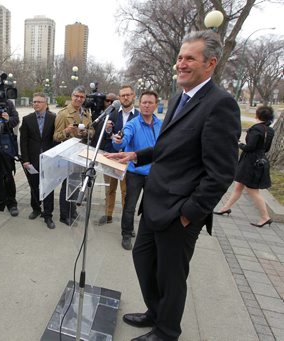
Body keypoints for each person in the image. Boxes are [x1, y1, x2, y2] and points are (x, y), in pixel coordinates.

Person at [107, 30, 241, 341]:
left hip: (179, 212)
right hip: (155, 202)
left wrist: (188, 214)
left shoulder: (220, 105)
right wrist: (136, 154)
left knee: (171, 276)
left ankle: (167, 331)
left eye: (189, 58)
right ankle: (156, 313)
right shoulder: (180, 97)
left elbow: (221, 173)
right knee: (143, 261)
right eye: (180, 57)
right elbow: (168, 145)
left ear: (210, 64)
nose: (181, 63)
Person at [106, 90, 162, 250]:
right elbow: (122, 140)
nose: (146, 105)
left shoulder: (160, 125)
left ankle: (148, 233)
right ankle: (126, 233)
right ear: (139, 103)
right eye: (144, 102)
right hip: (135, 173)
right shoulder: (132, 124)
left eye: (150, 103)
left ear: (155, 105)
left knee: (151, 206)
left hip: (154, 174)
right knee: (130, 205)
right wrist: (118, 141)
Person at [215, 105, 275, 227]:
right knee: (239, 186)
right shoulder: (270, 130)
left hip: (250, 162)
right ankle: (225, 208)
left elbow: (250, 147)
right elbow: (267, 149)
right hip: (260, 160)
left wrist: (239, 144)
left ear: (257, 115)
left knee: (252, 190)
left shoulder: (256, 129)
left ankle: (265, 217)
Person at [97, 87, 140, 226]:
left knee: (126, 192)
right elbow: (103, 136)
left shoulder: (139, 116)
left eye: (128, 95)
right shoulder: (112, 114)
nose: (125, 98)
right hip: (111, 157)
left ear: (133, 96)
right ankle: (108, 214)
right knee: (109, 188)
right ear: (119, 98)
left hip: (128, 160)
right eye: (122, 95)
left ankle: (126, 221)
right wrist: (108, 130)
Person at [53, 86, 93, 226]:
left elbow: (92, 131)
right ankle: (65, 215)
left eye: (82, 97)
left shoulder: (86, 113)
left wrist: (86, 133)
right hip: (68, 154)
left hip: (82, 154)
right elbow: (56, 137)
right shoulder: (63, 114)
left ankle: (73, 210)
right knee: (67, 185)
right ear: (72, 96)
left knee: (77, 184)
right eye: (77, 96)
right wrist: (67, 131)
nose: (79, 99)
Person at [20, 93, 57, 229]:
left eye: (39, 102)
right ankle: (36, 208)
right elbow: (23, 142)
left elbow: (56, 139)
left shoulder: (53, 118)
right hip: (33, 159)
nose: (36, 104)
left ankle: (48, 215)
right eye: (34, 101)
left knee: (48, 187)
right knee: (34, 185)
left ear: (46, 104)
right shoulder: (27, 119)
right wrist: (25, 160)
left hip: (49, 159)